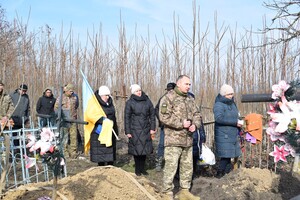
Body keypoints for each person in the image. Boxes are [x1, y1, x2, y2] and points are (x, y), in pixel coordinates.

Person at [159, 75, 201, 200]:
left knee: (187, 167)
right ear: (178, 84)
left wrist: (195, 125)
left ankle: (184, 191)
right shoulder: (168, 98)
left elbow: (197, 114)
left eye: (189, 84)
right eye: (186, 84)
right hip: (173, 140)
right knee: (171, 167)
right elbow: (164, 117)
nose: (188, 86)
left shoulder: (190, 99)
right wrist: (180, 123)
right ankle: (167, 193)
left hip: (188, 140)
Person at [124, 84, 156, 176]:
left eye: (140, 90)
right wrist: (128, 131)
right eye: (137, 91)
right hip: (134, 129)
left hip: (146, 129)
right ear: (133, 92)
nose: (139, 92)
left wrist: (152, 128)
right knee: (137, 150)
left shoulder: (147, 101)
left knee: (144, 150)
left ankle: (143, 169)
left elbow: (152, 115)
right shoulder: (130, 102)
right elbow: (127, 117)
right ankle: (137, 170)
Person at [213, 84, 243, 178]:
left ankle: (225, 175)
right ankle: (219, 174)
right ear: (223, 94)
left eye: (232, 94)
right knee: (226, 156)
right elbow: (219, 119)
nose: (231, 96)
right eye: (229, 94)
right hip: (224, 134)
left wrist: (239, 122)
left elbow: (236, 115)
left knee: (230, 155)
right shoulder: (218, 105)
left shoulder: (232, 104)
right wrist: (235, 122)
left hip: (232, 134)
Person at [90, 85, 119, 166]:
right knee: (101, 151)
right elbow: (91, 115)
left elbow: (113, 116)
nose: (107, 97)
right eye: (106, 95)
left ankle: (110, 165)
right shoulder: (95, 104)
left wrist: (115, 130)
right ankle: (101, 166)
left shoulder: (110, 103)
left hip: (110, 129)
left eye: (108, 95)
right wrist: (102, 120)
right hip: (99, 130)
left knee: (110, 150)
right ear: (101, 95)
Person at [155, 82, 176, 172]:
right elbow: (156, 109)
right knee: (161, 144)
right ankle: (159, 163)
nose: (169, 91)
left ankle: (172, 164)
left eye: (171, 89)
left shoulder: (178, 99)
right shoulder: (163, 98)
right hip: (165, 126)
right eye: (168, 90)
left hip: (175, 126)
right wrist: (161, 119)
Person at [55, 83, 79, 159]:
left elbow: (76, 106)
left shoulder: (75, 97)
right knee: (64, 136)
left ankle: (73, 152)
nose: (71, 92)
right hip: (64, 120)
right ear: (66, 91)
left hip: (73, 119)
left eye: (72, 91)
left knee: (73, 136)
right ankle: (64, 152)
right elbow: (56, 108)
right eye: (70, 91)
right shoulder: (61, 97)